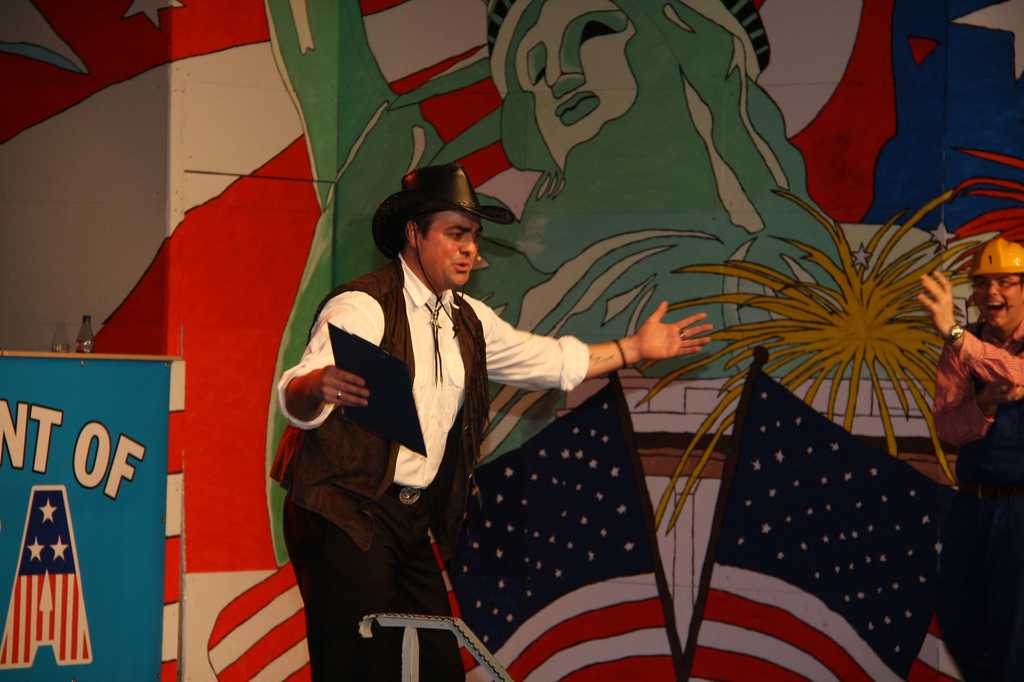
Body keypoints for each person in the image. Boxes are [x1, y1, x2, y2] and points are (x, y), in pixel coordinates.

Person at [273, 163, 713, 681]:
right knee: (358, 664)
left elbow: (548, 361)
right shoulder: (364, 306)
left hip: (406, 517)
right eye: (455, 234)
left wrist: (633, 348)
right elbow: (296, 388)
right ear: (414, 234)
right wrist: (317, 385)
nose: (469, 249)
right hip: (341, 508)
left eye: (474, 237)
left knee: (438, 661)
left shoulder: (468, 320)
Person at [918, 236, 1024, 681]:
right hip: (971, 506)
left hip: (1020, 511)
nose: (991, 293)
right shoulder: (963, 347)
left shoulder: (962, 342)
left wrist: (955, 334)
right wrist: (984, 405)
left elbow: (1016, 376)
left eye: (1005, 282)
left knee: (1015, 638)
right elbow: (947, 427)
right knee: (960, 619)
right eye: (982, 283)